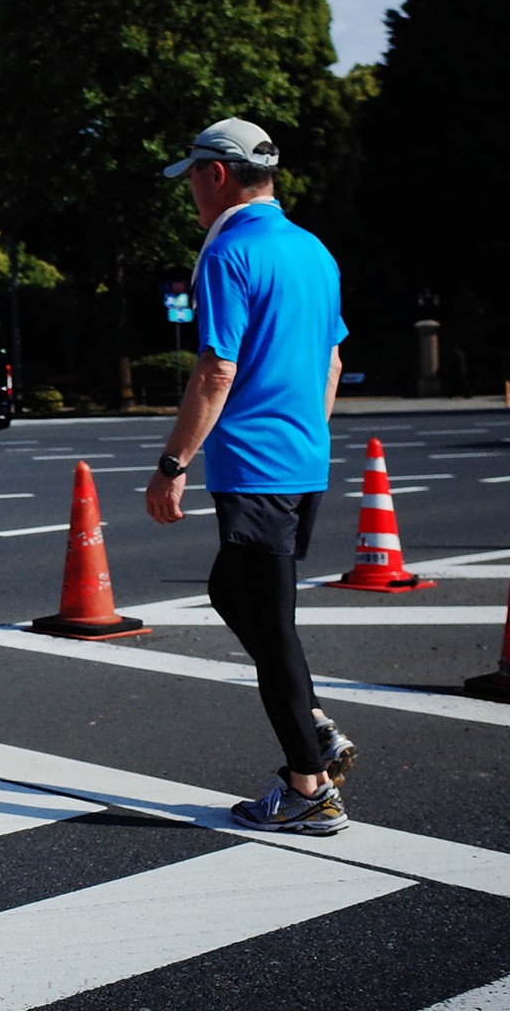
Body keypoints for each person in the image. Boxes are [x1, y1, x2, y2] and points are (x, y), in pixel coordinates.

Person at [142, 118, 358, 836]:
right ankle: (314, 725)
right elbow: (330, 364)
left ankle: (308, 788)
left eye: (193, 181)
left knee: (273, 628)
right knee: (227, 591)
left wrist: (173, 464)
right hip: (305, 460)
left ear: (215, 174)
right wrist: (310, 437)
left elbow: (217, 369)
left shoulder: (228, 253)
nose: (191, 197)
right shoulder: (314, 251)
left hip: (255, 466)